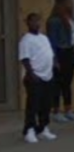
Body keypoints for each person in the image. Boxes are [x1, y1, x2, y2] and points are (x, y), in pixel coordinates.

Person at [18, 13, 57, 143]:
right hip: (35, 77)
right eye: (33, 21)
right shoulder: (26, 40)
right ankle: (29, 130)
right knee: (33, 105)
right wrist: (31, 74)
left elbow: (49, 53)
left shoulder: (44, 38)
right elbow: (24, 59)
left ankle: (43, 128)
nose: (36, 24)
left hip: (48, 75)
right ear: (28, 23)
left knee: (46, 104)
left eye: (38, 21)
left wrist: (54, 64)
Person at [46, 0, 74, 123]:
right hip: (60, 51)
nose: (71, 4)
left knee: (67, 82)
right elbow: (52, 41)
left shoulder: (70, 18)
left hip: (69, 51)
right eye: (69, 2)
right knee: (58, 83)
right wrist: (54, 59)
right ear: (62, 4)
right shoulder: (55, 20)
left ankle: (68, 109)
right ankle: (55, 110)